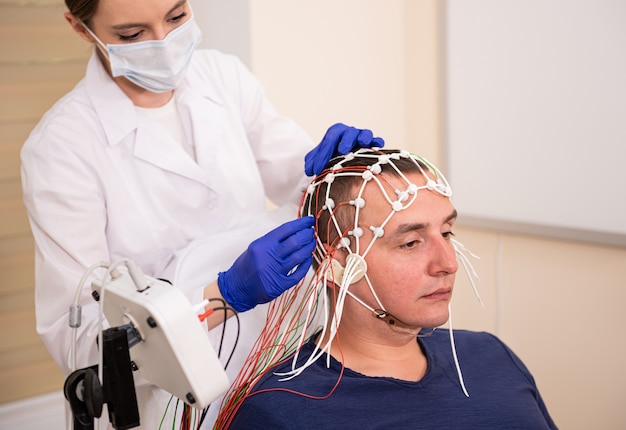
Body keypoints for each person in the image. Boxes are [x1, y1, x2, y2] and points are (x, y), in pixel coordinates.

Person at [19, 0, 383, 428]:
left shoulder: (222, 77)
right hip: (168, 402)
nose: (163, 44)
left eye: (176, 17)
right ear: (82, 29)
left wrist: (343, 168)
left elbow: (298, 179)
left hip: (278, 365)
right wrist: (221, 297)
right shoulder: (61, 148)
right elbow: (82, 344)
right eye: (132, 35)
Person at [219, 148, 558, 429]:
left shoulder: (491, 356)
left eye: (447, 232)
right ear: (335, 262)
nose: (448, 264)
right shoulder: (279, 411)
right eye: (410, 242)